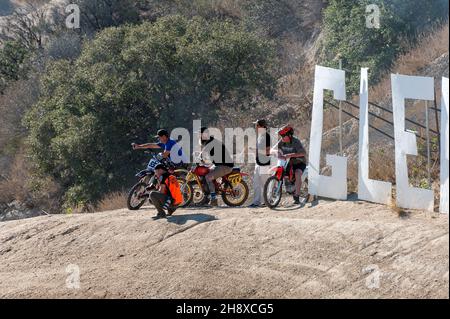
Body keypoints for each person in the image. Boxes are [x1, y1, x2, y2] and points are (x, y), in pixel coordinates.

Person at [199, 127, 234, 207]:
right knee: (206, 174)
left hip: (225, 166)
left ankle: (214, 199)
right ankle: (206, 197)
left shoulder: (210, 142)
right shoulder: (209, 141)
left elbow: (204, 153)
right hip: (218, 164)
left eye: (200, 134)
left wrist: (201, 158)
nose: (199, 136)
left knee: (208, 177)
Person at [274, 125, 307, 205]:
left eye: (283, 135)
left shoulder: (296, 141)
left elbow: (303, 153)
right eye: (281, 135)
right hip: (288, 163)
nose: (281, 137)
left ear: (289, 135)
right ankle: (274, 193)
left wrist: (291, 155)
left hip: (299, 162)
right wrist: (277, 153)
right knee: (279, 172)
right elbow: (273, 149)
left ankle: (297, 197)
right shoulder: (282, 141)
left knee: (297, 173)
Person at [249, 119, 272, 208]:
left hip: (265, 163)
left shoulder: (267, 136)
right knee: (256, 184)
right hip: (258, 163)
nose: (256, 127)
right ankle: (256, 202)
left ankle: (266, 201)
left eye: (257, 125)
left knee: (264, 183)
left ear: (262, 126)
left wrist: (256, 151)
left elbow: (267, 151)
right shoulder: (260, 136)